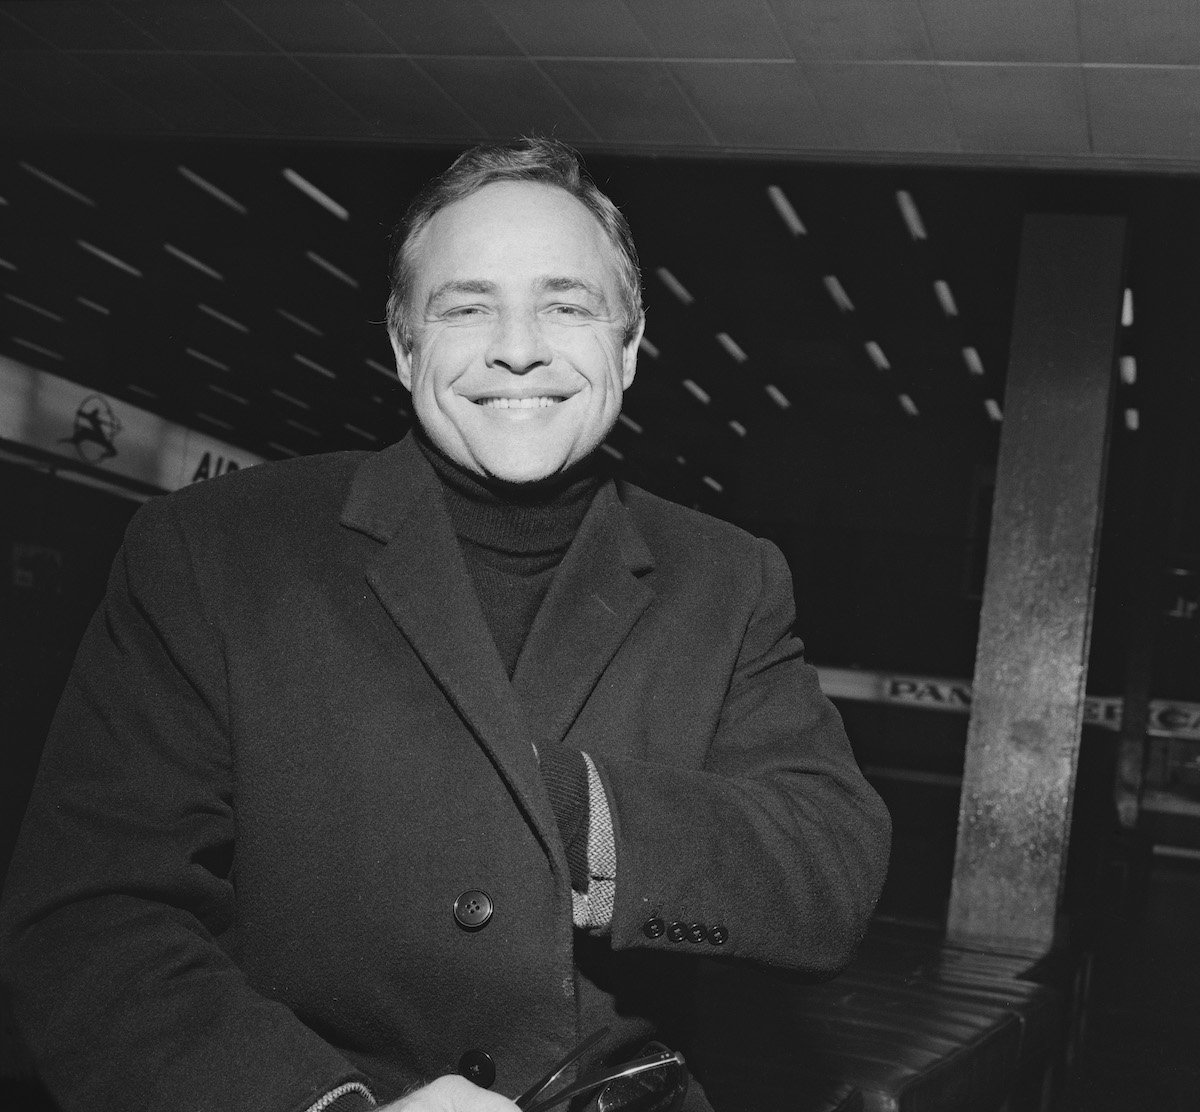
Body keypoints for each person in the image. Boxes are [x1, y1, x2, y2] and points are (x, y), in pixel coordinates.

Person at [0, 138, 890, 1112]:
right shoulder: (216, 551)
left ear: (628, 347)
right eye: (467, 306)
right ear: (404, 345)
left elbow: (827, 874)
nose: (519, 345)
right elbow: (90, 919)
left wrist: (576, 816)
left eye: (567, 304)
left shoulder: (725, 576)